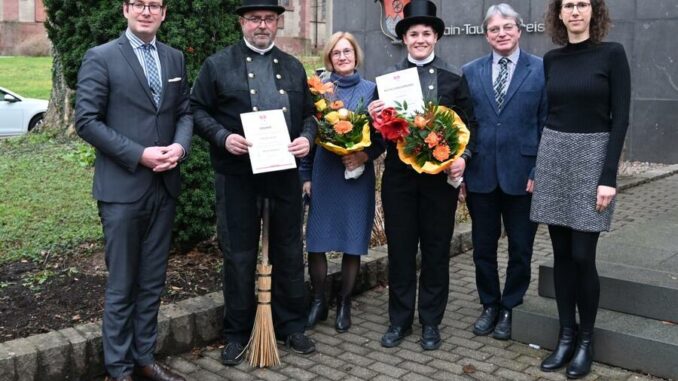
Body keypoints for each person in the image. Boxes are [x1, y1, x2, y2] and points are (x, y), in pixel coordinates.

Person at [190, 0, 317, 366]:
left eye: (268, 19)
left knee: (289, 250)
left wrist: (307, 139)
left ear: (277, 23)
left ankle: (292, 325)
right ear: (241, 22)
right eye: (254, 19)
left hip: (283, 174)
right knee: (239, 254)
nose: (261, 25)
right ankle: (237, 332)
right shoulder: (218, 64)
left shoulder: (293, 67)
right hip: (237, 175)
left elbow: (309, 116)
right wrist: (222, 137)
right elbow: (196, 109)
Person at [75, 1, 192, 380]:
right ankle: (119, 368)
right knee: (123, 283)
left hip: (164, 186)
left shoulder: (174, 59)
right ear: (125, 10)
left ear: (164, 13)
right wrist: (138, 154)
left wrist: (180, 146)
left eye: (154, 5)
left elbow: (184, 113)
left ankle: (145, 358)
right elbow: (87, 121)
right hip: (122, 189)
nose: (146, 11)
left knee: (152, 280)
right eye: (138, 4)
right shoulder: (102, 57)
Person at [368, 0, 477, 351]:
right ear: (404, 38)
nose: (419, 39)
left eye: (426, 33)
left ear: (436, 37)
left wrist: (465, 158)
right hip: (400, 180)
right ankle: (399, 321)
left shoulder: (453, 78)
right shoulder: (387, 82)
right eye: (413, 33)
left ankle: (431, 322)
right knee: (400, 251)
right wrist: (372, 118)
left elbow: (470, 126)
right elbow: (377, 136)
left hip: (438, 182)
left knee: (434, 251)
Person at [531, 0, 630, 378]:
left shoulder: (612, 54)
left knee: (583, 255)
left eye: (582, 4)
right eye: (568, 5)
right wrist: (540, 166)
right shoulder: (552, 60)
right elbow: (549, 115)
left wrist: (609, 177)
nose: (575, 11)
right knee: (560, 255)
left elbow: (620, 118)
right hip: (555, 153)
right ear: (559, 13)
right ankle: (565, 336)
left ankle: (586, 340)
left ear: (594, 11)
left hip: (593, 157)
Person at [461, 3, 546, 341]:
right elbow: (465, 124)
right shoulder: (470, 71)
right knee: (483, 247)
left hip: (524, 175)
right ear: (486, 35)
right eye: (494, 29)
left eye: (507, 27)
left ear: (519, 30)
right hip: (480, 173)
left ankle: (510, 305)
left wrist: (540, 169)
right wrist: (461, 171)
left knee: (521, 248)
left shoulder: (541, 69)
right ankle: (489, 305)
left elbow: (546, 123)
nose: (501, 34)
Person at [300, 32, 385, 333]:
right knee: (317, 242)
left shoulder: (372, 90)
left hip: (355, 176)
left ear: (356, 55)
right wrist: (305, 176)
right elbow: (309, 134)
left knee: (352, 243)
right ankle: (319, 301)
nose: (343, 57)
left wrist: (364, 157)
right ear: (329, 58)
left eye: (347, 51)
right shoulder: (320, 90)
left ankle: (344, 303)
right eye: (336, 53)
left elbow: (382, 138)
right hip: (325, 173)